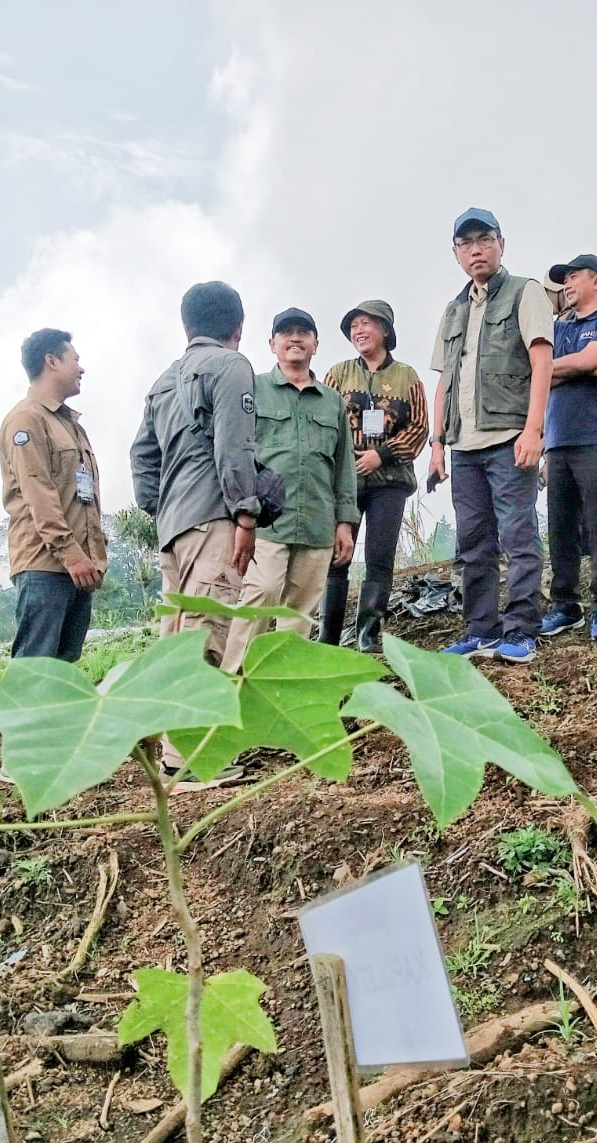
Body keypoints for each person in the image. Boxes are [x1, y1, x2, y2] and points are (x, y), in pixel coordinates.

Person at [131, 281, 267, 789]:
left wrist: (162, 506)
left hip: (175, 526)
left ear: (187, 327)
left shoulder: (162, 380)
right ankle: (187, 760)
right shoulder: (233, 366)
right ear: (238, 327)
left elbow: (141, 457)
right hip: (213, 518)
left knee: (176, 638)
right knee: (207, 633)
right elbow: (235, 446)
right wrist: (246, 515)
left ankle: (173, 750)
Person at [428, 207, 555, 665]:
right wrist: (438, 444)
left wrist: (533, 431)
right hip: (463, 446)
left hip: (508, 437)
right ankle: (480, 628)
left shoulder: (526, 293)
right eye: (466, 244)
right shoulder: (454, 308)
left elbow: (542, 362)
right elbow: (444, 381)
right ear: (456, 253)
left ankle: (522, 629)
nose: (476, 250)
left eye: (484, 240)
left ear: (501, 243)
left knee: (518, 535)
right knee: (472, 542)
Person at [221, 310, 357, 670]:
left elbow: (344, 467)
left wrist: (345, 523)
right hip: (267, 522)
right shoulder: (254, 389)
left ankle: (280, 690)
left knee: (300, 614)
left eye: (303, 333)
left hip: (316, 522)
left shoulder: (332, 401)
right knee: (259, 597)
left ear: (315, 344)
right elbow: (238, 451)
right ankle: (232, 685)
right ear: (272, 344)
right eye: (286, 334)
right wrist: (241, 515)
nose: (294, 339)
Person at [320, 300, 428, 652]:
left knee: (380, 558)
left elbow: (419, 428)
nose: (359, 331)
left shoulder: (407, 377)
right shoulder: (337, 374)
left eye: (366, 323)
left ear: (385, 330)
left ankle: (368, 634)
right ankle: (328, 638)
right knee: (337, 558)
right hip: (345, 482)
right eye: (354, 326)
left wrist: (380, 455)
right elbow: (326, 424)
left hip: (390, 483)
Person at [0, 328, 107, 663]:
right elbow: (38, 494)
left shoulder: (71, 425)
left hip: (77, 567)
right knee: (35, 672)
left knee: (62, 675)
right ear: (51, 361)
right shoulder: (26, 419)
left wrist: (89, 555)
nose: (81, 369)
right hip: (46, 565)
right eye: (75, 360)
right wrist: (71, 554)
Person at [539, 254, 597, 642]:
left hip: (596, 437)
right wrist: (587, 366)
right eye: (565, 279)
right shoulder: (559, 327)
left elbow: (560, 367)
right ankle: (564, 606)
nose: (567, 285)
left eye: (574, 276)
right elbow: (539, 374)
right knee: (560, 529)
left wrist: (582, 362)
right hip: (557, 440)